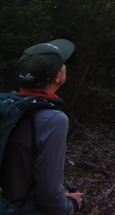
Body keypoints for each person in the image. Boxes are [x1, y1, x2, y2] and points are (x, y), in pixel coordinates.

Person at [0, 39, 83, 214]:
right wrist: (70, 206)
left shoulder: (7, 106)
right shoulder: (53, 119)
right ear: (58, 77)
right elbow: (50, 194)